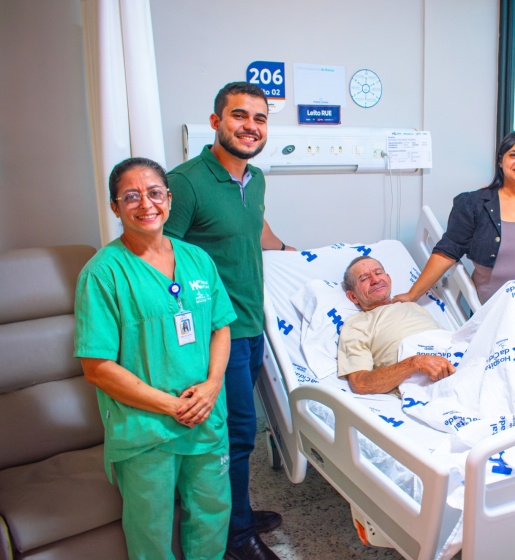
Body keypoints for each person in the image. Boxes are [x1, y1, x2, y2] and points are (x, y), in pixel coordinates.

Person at [74, 157, 236, 560]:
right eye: (131, 196)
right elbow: (96, 368)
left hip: (205, 415)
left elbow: (220, 326)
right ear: (115, 207)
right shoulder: (102, 274)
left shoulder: (197, 259)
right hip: (146, 429)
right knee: (151, 531)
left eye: (154, 192)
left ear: (168, 198)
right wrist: (170, 406)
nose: (145, 203)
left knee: (212, 515)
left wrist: (213, 385)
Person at [164, 82, 292, 560]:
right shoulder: (187, 182)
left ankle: (234, 512)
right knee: (235, 433)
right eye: (239, 116)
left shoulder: (254, 178)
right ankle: (236, 539)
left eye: (259, 119)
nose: (250, 127)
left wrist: (293, 254)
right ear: (216, 121)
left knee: (243, 430)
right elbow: (161, 255)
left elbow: (253, 226)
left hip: (252, 323)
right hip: (218, 332)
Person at [393, 130, 515, 309]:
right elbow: (447, 252)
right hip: (487, 310)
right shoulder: (474, 204)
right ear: (500, 160)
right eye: (513, 155)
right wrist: (412, 294)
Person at [339, 256, 456, 394]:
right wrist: (414, 363)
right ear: (353, 297)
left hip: (460, 360)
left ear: (389, 278)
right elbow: (360, 383)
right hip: (429, 385)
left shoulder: (412, 306)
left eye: (378, 273)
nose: (376, 280)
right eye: (364, 279)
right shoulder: (357, 325)